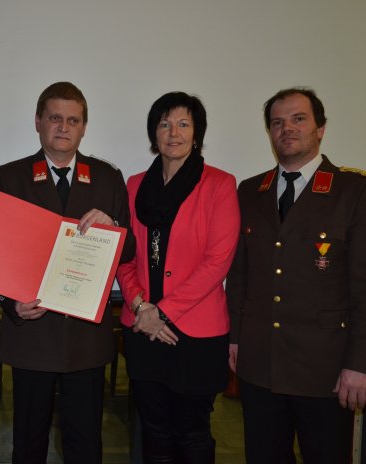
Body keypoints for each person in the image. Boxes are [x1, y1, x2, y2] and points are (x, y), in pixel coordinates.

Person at [226, 87, 366, 464]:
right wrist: (235, 337)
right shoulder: (251, 191)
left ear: (321, 128)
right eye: (277, 122)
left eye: (298, 119)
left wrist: (363, 364)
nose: (286, 129)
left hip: (326, 370)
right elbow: (240, 276)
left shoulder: (357, 191)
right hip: (260, 364)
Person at [0, 81, 135, 464]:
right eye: (55, 118)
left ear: (84, 127)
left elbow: (130, 252)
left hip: (85, 340)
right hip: (32, 335)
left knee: (85, 445)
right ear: (38, 122)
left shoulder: (106, 177)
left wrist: (113, 228)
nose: (63, 127)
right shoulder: (11, 176)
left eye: (73, 120)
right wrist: (11, 303)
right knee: (28, 444)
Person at [116, 92, 240, 463]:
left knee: (192, 434)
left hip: (195, 335)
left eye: (184, 124)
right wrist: (141, 306)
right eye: (165, 124)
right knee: (153, 431)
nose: (174, 133)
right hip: (143, 329)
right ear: (153, 133)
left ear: (196, 133)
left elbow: (217, 262)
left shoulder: (219, 184)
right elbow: (124, 254)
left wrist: (163, 312)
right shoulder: (135, 185)